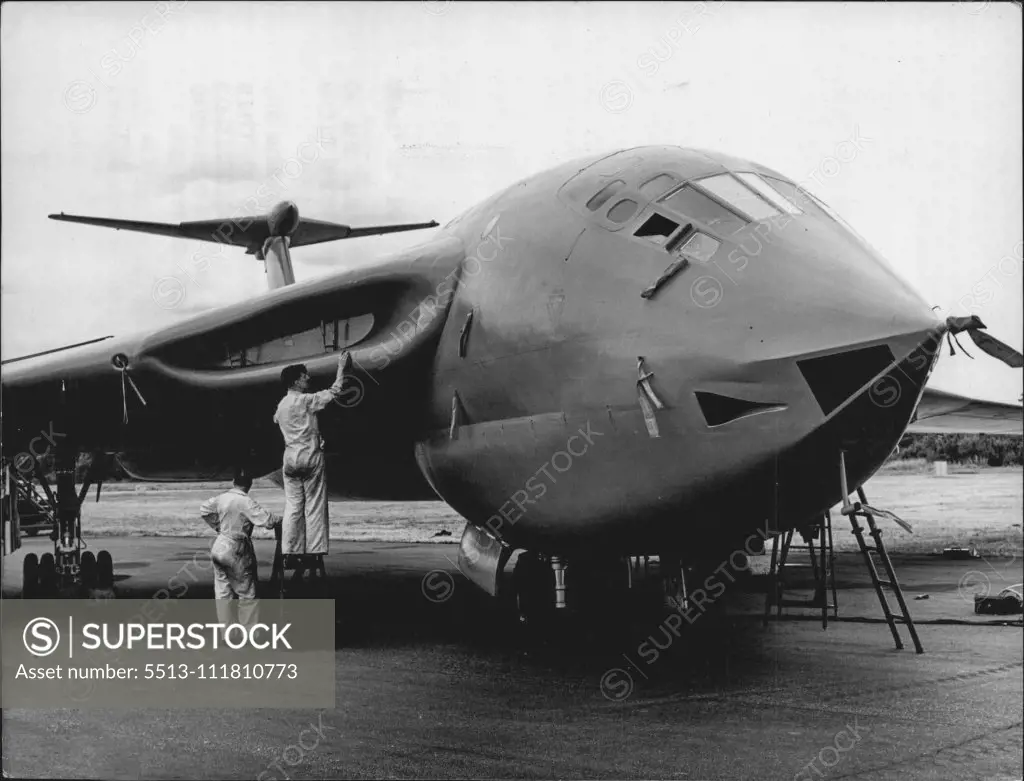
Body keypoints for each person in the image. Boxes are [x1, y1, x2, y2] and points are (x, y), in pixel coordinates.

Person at [273, 352, 350, 561]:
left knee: (293, 505)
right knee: (314, 504)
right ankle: (315, 549)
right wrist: (341, 367)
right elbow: (335, 391)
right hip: (310, 456)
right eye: (304, 376)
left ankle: (290, 550)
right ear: (296, 380)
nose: (308, 378)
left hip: (289, 459)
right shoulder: (306, 400)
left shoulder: (281, 407)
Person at [200, 468, 282, 624]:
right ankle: (250, 634)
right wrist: (281, 519)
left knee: (223, 593)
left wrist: (217, 526)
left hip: (220, 544)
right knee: (247, 593)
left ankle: (227, 634)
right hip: (237, 547)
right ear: (249, 484)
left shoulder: (222, 498)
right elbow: (268, 521)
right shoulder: (246, 501)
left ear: (233, 481)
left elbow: (204, 509)